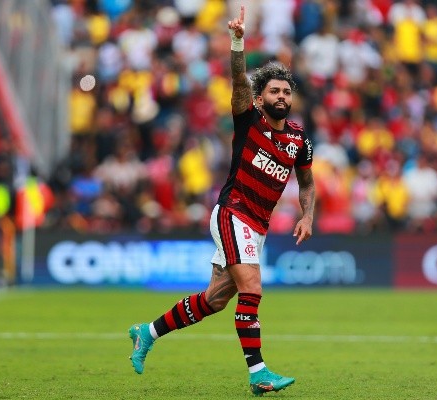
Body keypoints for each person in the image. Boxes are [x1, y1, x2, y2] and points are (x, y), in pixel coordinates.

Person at [127, 5, 316, 396]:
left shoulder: (299, 140)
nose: (281, 96)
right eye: (274, 91)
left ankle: (147, 332)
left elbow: (307, 183)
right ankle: (258, 373)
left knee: (214, 300)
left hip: (257, 226)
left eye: (286, 91)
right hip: (233, 213)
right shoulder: (250, 121)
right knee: (253, 289)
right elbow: (238, 81)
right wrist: (237, 41)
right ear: (260, 99)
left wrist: (307, 215)